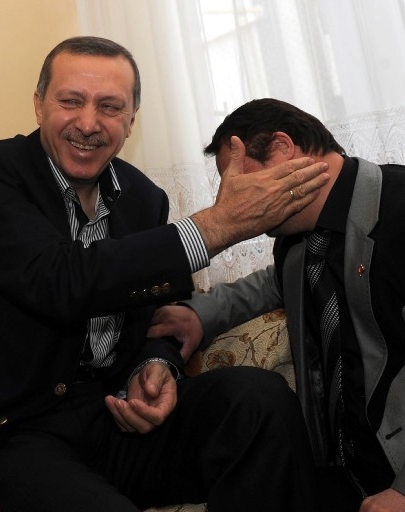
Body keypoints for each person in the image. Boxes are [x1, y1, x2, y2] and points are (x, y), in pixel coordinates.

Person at [0, 39, 329, 512]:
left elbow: (157, 315)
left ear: (131, 119)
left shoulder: (144, 197)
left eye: (110, 107)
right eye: (71, 101)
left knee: (257, 400)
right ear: (38, 104)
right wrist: (218, 225)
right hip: (20, 434)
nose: (88, 123)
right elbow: (61, 279)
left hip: (115, 419)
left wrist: (155, 363)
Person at [149, 98, 405, 512]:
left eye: (238, 181)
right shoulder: (298, 238)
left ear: (283, 149)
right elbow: (275, 283)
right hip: (343, 476)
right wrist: (199, 315)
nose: (232, 200)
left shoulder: (397, 207)